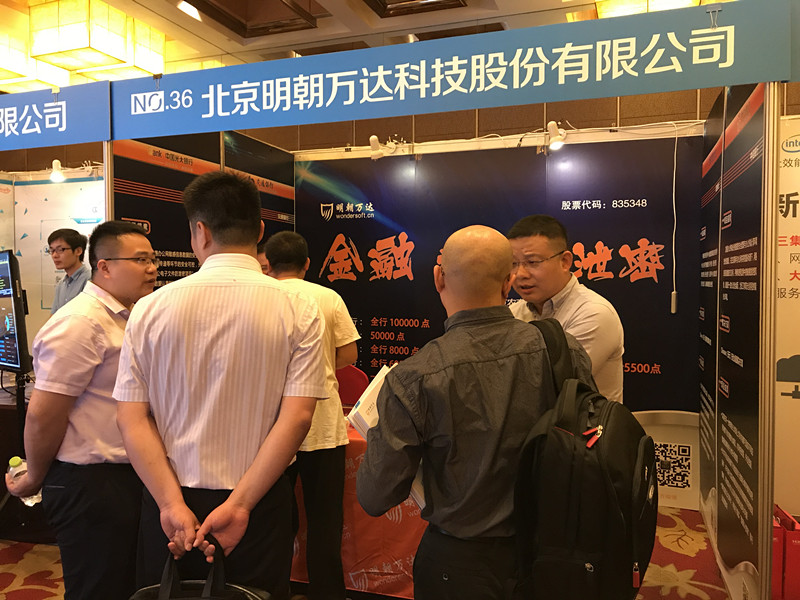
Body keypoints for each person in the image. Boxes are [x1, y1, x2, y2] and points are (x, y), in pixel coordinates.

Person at [114, 172, 327, 600]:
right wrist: (242, 504)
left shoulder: (149, 308)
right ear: (260, 230)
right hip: (259, 499)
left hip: (169, 499)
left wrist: (170, 504)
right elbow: (298, 418)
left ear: (201, 231)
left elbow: (130, 418)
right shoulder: (300, 307)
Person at [356, 225, 594, 600]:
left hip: (457, 564)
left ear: (438, 277)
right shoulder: (560, 347)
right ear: (508, 282)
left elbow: (375, 496)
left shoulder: (414, 377)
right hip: (552, 550)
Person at [5, 220, 158, 600]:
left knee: (126, 585)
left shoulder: (125, 316)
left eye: (152, 259)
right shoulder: (80, 322)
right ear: (104, 266)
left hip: (125, 478)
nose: (152, 268)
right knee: (97, 587)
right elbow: (44, 414)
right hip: (91, 482)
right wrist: (34, 475)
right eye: (141, 260)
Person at [259, 231, 360, 600]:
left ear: (267, 263)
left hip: (270, 427)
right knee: (324, 520)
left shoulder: (259, 296)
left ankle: (271, 590)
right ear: (307, 264)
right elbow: (348, 355)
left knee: (272, 519)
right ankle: (326, 593)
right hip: (322, 424)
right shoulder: (327, 297)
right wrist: (316, 368)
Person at [506, 215, 624, 403]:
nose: (520, 274)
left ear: (565, 262)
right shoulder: (515, 312)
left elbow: (550, 387)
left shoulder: (593, 313)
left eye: (533, 262)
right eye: (513, 264)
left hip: (582, 422)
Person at [47, 228, 90, 313]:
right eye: (52, 250)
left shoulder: (90, 280)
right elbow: (55, 316)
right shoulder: (61, 284)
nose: (54, 255)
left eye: (60, 250)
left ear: (78, 251)